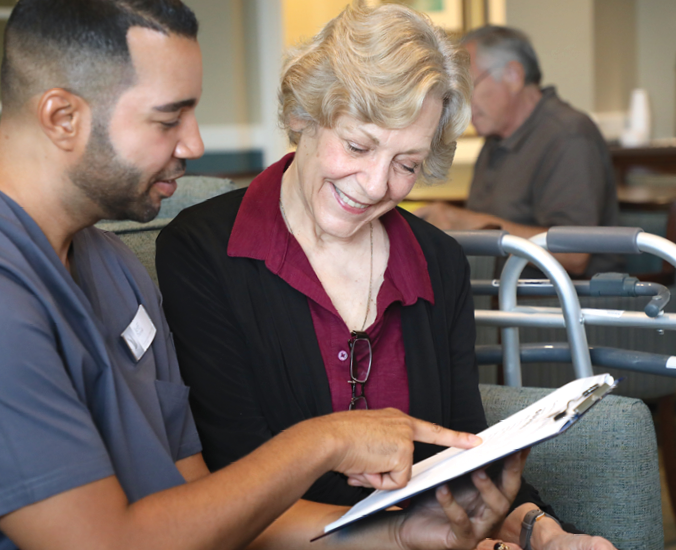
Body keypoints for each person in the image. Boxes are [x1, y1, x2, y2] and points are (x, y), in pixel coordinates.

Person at [0, 1, 525, 549]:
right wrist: (328, 441)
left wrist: (396, 533)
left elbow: (212, 513)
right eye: (168, 118)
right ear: (63, 117)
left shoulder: (114, 269)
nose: (196, 142)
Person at [156, 5, 614, 550]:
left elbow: (463, 455)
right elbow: (234, 487)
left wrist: (543, 532)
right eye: (358, 145)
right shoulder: (204, 251)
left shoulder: (437, 262)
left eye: (407, 164)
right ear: (305, 115)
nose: (375, 185)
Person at [415, 26, 620, 278]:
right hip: (500, 297)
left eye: (468, 87)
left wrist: (471, 223)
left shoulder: (568, 136)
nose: (461, 104)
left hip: (560, 305)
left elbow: (574, 255)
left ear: (513, 75)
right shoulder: (494, 140)